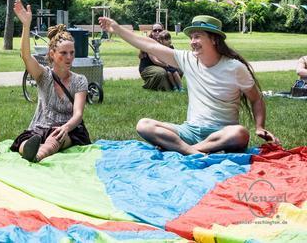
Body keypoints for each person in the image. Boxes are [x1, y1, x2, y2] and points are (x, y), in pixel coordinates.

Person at [99, 14, 279, 155]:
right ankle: (191, 150)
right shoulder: (188, 59)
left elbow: (256, 99)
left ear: (214, 39)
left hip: (221, 133)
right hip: (189, 131)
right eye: (191, 37)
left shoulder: (235, 68)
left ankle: (188, 149)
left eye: (198, 37)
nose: (192, 42)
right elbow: (150, 45)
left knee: (240, 133)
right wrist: (117, 28)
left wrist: (259, 127)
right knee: (143, 125)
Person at [10, 0, 90, 162]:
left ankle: (37, 156)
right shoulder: (43, 75)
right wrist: (26, 26)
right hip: (40, 127)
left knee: (57, 138)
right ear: (52, 54)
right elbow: (25, 56)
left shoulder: (80, 81)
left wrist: (65, 128)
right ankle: (29, 149)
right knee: (23, 142)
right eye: (64, 53)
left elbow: (78, 114)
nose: (69, 57)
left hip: (67, 130)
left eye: (72, 53)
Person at [137, 23, 173, 91]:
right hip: (147, 68)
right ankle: (148, 85)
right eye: (155, 30)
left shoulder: (167, 43)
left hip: (161, 66)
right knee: (161, 72)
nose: (157, 32)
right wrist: (167, 65)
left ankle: (175, 86)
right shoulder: (149, 43)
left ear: (163, 31)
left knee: (178, 70)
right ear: (152, 32)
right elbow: (155, 60)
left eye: (159, 30)